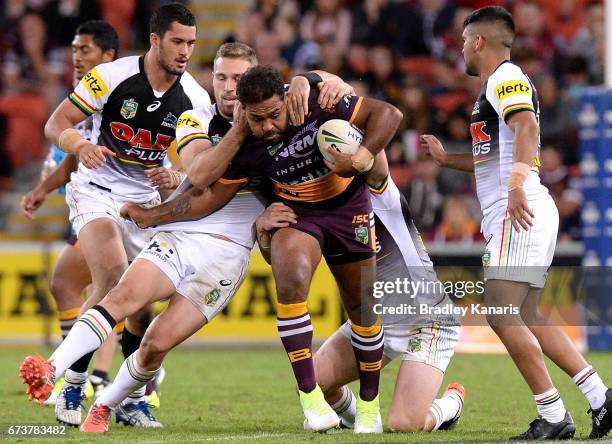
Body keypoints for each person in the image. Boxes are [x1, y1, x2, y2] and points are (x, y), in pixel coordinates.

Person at [421, 6, 611, 440]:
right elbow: (494, 156)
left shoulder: (506, 77)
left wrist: (515, 185)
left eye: (465, 41)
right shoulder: (493, 87)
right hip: (525, 206)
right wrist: (445, 159)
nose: (461, 48)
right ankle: (601, 397)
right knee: (527, 312)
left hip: (519, 208)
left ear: (480, 41)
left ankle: (553, 414)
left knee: (502, 311)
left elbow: (525, 128)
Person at [19, 3, 210, 427]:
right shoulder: (110, 76)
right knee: (111, 276)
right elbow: (56, 123)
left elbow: (199, 163)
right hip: (97, 190)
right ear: (156, 40)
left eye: (192, 44)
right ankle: (74, 381)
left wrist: (175, 175)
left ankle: (132, 398)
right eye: (177, 41)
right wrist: (81, 145)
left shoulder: (195, 97)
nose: (185, 52)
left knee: (140, 308)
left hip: (144, 202)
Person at [203, 65, 402, 433]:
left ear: (285, 97)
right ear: (244, 113)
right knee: (291, 286)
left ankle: (369, 409)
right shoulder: (242, 139)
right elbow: (206, 190)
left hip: (351, 211)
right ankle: (311, 402)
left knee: (363, 310)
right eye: (256, 118)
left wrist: (360, 156)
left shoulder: (315, 101)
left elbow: (390, 115)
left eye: (273, 115)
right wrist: (159, 214)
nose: (266, 126)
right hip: (299, 215)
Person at [256, 147, 466, 433]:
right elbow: (278, 262)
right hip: (374, 323)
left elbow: (375, 158)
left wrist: (347, 111)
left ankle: (450, 405)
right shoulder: (316, 214)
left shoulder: (379, 193)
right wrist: (264, 232)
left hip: (426, 322)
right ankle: (355, 416)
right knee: (310, 385)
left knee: (405, 424)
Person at [20, 19, 123, 407]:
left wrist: (45, 186)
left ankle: (89, 377)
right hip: (91, 203)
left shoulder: (115, 95)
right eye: (75, 50)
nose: (76, 57)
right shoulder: (82, 96)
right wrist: (43, 188)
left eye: (86, 50)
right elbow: (76, 158)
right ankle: (97, 377)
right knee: (89, 288)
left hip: (113, 207)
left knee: (101, 289)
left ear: (109, 56)